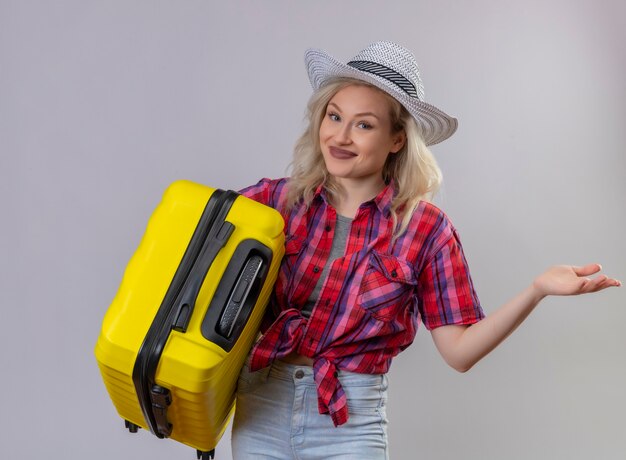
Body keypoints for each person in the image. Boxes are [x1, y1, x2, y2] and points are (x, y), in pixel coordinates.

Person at [230, 41, 620, 459]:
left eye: (364, 125)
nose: (340, 136)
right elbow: (185, 260)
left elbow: (459, 353)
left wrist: (536, 290)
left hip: (350, 421)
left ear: (397, 139)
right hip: (263, 404)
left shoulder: (425, 230)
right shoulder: (275, 202)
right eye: (334, 116)